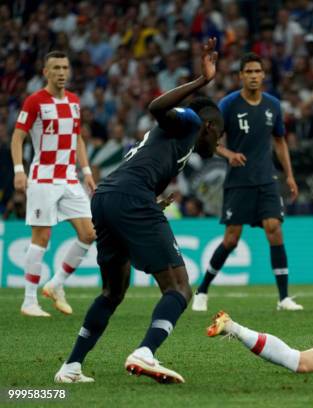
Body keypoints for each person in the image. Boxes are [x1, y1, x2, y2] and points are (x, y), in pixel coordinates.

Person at [54, 38, 222, 384]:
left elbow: (140, 169)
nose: (217, 143)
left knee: (113, 292)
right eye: (218, 134)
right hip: (128, 199)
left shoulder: (175, 145)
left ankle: (70, 367)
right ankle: (145, 352)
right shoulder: (190, 122)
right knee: (179, 287)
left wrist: (153, 202)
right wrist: (202, 81)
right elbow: (156, 106)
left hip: (107, 198)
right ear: (209, 125)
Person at [193, 53, 302, 312]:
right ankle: (202, 290)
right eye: (248, 72)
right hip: (238, 181)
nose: (253, 76)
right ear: (240, 75)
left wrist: (289, 174)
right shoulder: (229, 104)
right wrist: (228, 154)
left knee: (274, 228)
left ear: (263, 75)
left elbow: (280, 141)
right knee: (231, 238)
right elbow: (208, 139)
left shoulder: (273, 105)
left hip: (266, 179)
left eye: (257, 71)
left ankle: (283, 298)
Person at [11, 51, 97, 317]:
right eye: (56, 68)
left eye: (65, 67)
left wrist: (86, 171)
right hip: (43, 178)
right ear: (46, 72)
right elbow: (17, 138)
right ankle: (28, 301)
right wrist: (19, 170)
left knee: (90, 233)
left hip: (69, 178)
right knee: (42, 237)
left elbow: (78, 138)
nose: (62, 72)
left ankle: (56, 284)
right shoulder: (34, 101)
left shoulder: (73, 101)